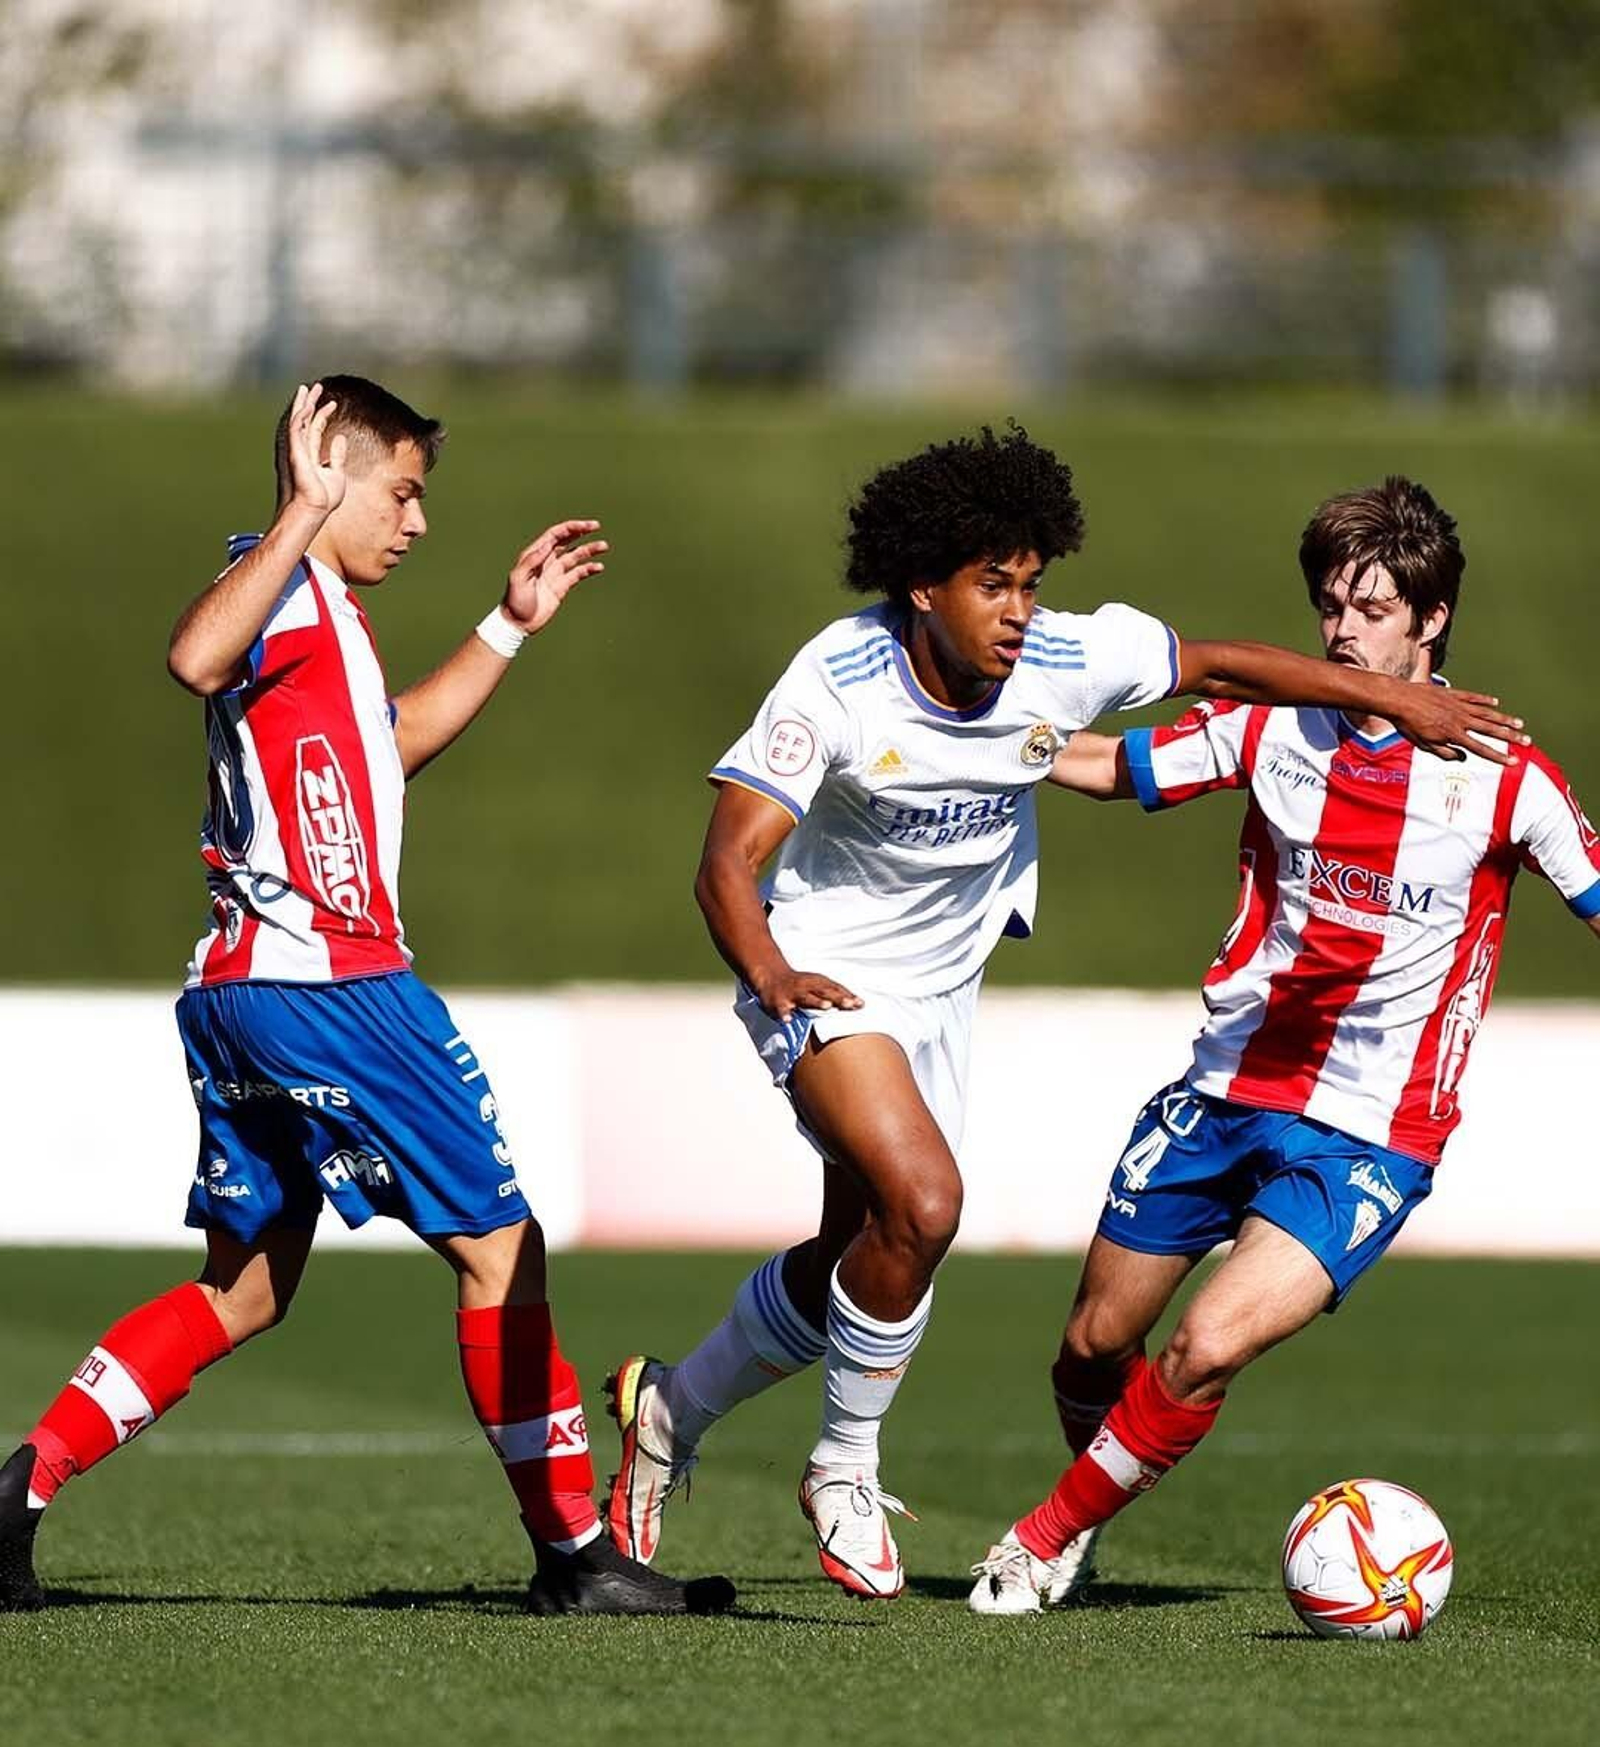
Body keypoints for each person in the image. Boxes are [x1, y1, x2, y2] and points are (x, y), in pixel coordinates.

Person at [602, 427, 1520, 1601]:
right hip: (822, 969)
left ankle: (670, 1411)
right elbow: (727, 861)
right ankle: (841, 1465)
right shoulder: (833, 681)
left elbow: (1223, 665)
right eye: (995, 583)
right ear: (922, 585)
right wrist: (771, 973)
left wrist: (1389, 698)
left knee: (863, 1248)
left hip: (944, 984)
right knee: (927, 1204)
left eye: (1032, 580)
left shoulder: (1065, 653)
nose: (1021, 609)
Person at [0, 376, 732, 1618]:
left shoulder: (317, 610)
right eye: (401, 491)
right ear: (326, 477)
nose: (418, 520)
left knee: (245, 1287)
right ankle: (576, 1552)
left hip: (239, 988)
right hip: (335, 981)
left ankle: (18, 1489)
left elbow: (384, 742)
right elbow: (192, 656)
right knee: (503, 1248)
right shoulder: (281, 580)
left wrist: (507, 626)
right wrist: (297, 512)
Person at [968, 473, 1597, 1615]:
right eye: (1330, 605)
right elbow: (1121, 767)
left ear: (1429, 618)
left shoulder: (1508, 777)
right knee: (1091, 1347)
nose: (1342, 630)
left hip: (1368, 1134)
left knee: (1204, 1343)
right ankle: (1088, 1503)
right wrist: (983, 741)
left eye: (1370, 609)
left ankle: (1044, 1535)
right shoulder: (1273, 722)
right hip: (1220, 1090)